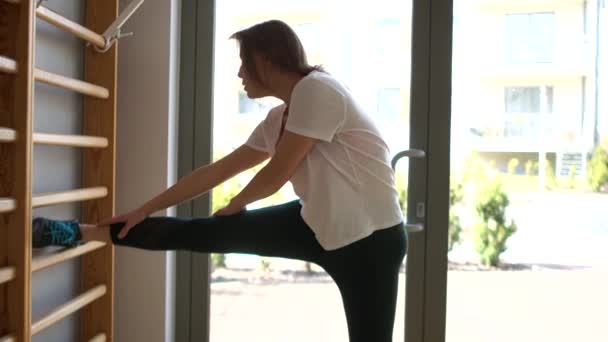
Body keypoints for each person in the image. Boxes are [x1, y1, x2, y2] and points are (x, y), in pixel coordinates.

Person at [32, 19, 407, 342]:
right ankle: (77, 232)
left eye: (244, 63)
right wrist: (143, 209)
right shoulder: (280, 117)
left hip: (370, 242)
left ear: (265, 59)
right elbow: (216, 172)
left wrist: (236, 205)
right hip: (319, 223)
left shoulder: (318, 90)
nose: (240, 74)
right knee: (203, 232)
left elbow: (277, 173)